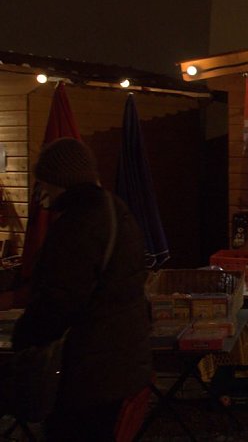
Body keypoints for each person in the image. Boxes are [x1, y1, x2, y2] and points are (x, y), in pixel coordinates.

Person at [12, 138, 152, 440]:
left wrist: (22, 340)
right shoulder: (114, 210)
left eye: (44, 183)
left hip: (90, 370)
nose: (42, 192)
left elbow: (59, 300)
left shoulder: (78, 225)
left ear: (58, 181)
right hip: (122, 361)